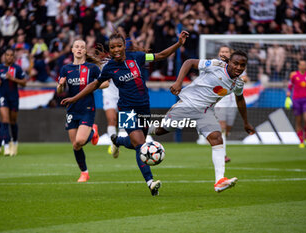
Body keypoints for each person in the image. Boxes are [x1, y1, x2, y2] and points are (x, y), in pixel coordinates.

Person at [61, 30, 189, 196]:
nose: (116, 49)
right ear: (110, 49)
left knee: (137, 142)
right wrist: (74, 98)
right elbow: (93, 85)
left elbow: (161, 55)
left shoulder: (137, 57)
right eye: (112, 47)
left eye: (119, 46)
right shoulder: (109, 68)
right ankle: (150, 182)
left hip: (144, 107)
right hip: (126, 109)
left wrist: (179, 43)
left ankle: (118, 140)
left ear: (124, 46)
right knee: (141, 145)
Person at [148, 51, 255, 193]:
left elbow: (240, 100)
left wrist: (246, 122)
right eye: (236, 63)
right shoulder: (216, 65)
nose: (239, 67)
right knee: (161, 130)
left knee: (217, 138)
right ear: (229, 62)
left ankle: (219, 181)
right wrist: (179, 82)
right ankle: (136, 130)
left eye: (242, 65)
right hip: (187, 104)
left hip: (205, 112)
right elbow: (189, 62)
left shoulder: (238, 82)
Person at [57, 39, 108, 182]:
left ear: (85, 51)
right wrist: (61, 85)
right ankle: (84, 172)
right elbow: (59, 90)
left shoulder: (92, 68)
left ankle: (92, 132)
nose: (79, 49)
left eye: (82, 47)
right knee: (76, 145)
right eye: (76, 47)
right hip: (72, 110)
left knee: (80, 140)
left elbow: (105, 83)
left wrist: (92, 86)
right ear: (72, 50)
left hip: (87, 108)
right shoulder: (65, 69)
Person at [197, 45, 248, 164]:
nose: (224, 53)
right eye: (222, 51)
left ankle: (218, 144)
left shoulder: (238, 65)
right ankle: (223, 154)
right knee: (222, 127)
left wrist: (241, 79)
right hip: (220, 101)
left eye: (227, 51)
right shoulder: (215, 66)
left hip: (231, 100)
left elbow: (245, 78)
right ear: (219, 53)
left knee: (227, 129)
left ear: (230, 54)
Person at [0, 49, 26, 156]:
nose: (9, 57)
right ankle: (6, 146)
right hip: (2, 96)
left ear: (14, 57)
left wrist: (12, 79)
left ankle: (15, 143)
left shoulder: (17, 68)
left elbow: (24, 83)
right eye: (7, 55)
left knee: (13, 121)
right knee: (5, 120)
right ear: (4, 56)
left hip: (13, 97)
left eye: (11, 55)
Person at [285, 60, 306, 149]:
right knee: (298, 121)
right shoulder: (294, 75)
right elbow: (290, 86)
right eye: (301, 65)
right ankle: (301, 141)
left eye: (305, 65)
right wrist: (288, 93)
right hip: (296, 100)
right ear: (298, 66)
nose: (303, 66)